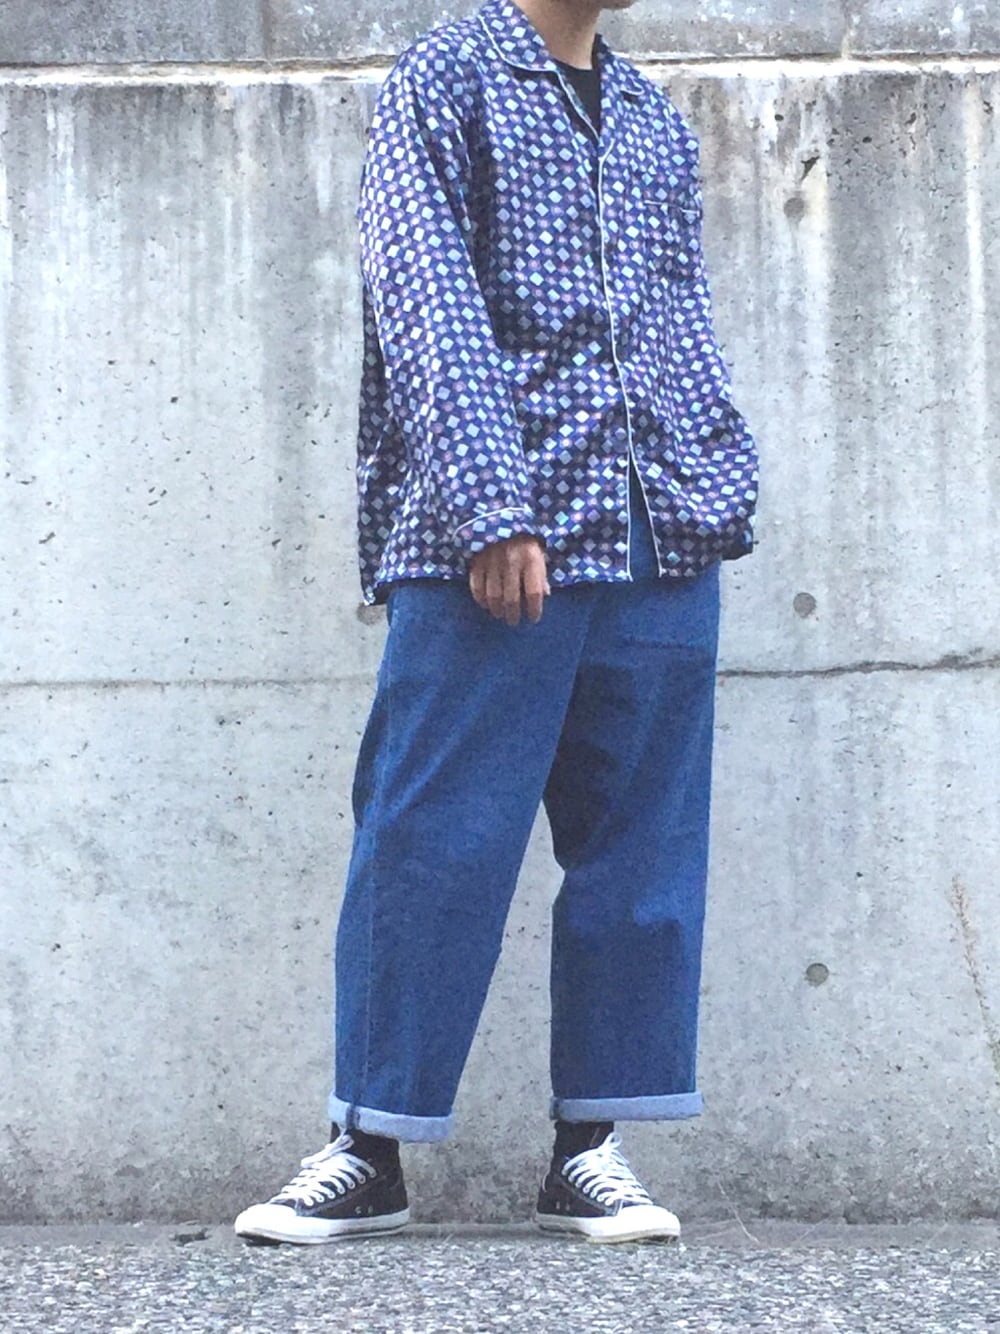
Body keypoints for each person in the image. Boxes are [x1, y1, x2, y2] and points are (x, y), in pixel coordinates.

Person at [235, 0, 758, 1246]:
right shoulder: (446, 80)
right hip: (495, 531)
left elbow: (676, 314)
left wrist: (718, 476)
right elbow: (423, 298)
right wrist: (488, 504)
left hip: (657, 527)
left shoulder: (648, 116)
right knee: (429, 839)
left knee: (641, 851)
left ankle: (591, 1147)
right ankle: (368, 1147)